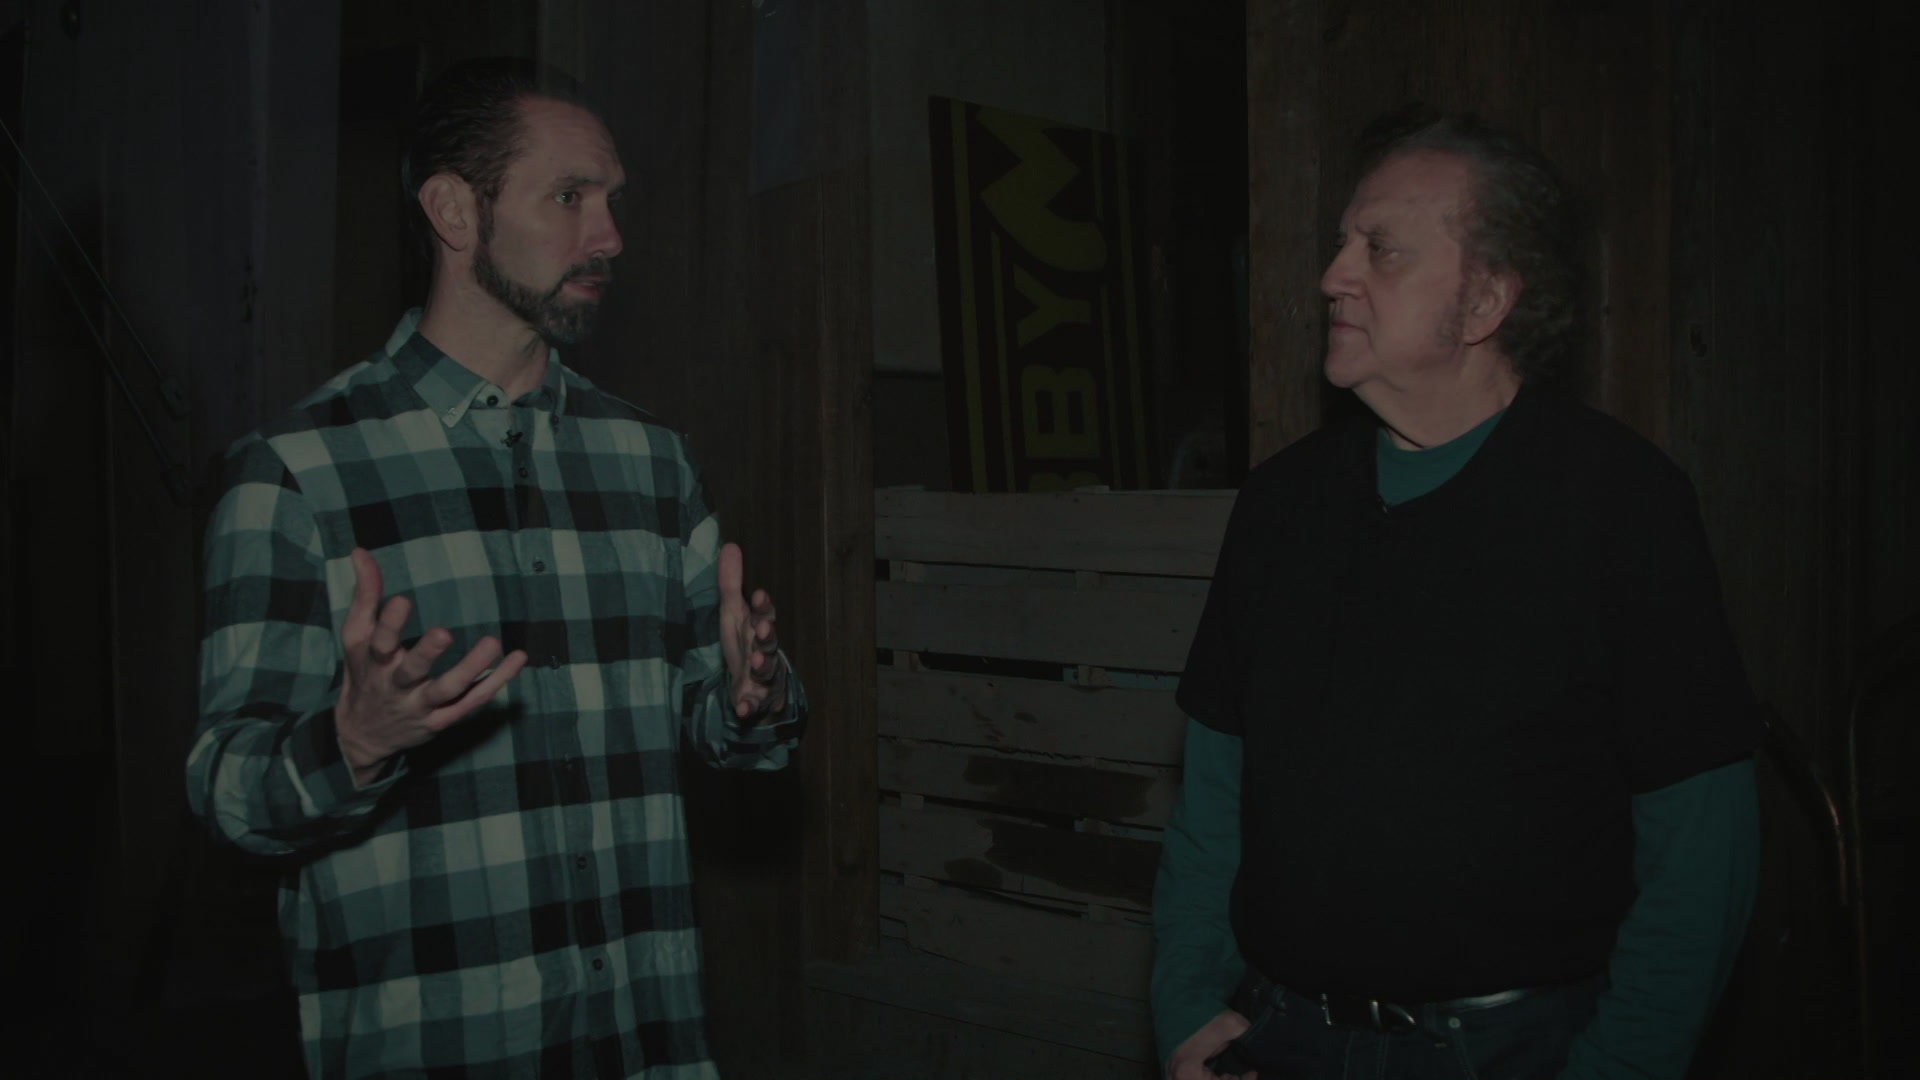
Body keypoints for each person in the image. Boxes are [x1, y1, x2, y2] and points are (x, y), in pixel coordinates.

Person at [185, 58, 805, 1079]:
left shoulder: (651, 462)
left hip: (643, 1042)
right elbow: (227, 793)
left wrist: (753, 700)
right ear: (453, 212)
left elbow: (724, 722)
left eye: (611, 201)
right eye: (568, 198)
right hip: (445, 1048)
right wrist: (352, 741)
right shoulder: (298, 474)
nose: (609, 235)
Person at [1151, 110, 1761, 1080]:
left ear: (1484, 303)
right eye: (1342, 243)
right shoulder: (1280, 502)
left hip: (1509, 1052)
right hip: (1276, 1038)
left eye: (1381, 249)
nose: (1333, 275)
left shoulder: (1618, 504)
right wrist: (1185, 1002)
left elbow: (1701, 848)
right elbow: (1214, 790)